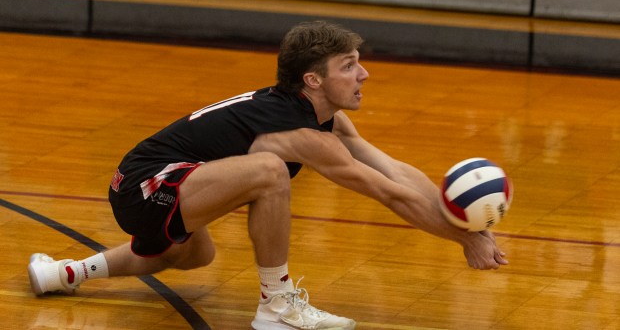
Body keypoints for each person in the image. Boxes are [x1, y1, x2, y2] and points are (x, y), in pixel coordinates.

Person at [28, 21, 507, 330]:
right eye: (349, 66)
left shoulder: (327, 118)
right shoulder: (299, 132)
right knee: (270, 171)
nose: (364, 75)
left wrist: (466, 223)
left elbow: (395, 170)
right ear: (313, 81)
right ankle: (276, 304)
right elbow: (387, 194)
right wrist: (461, 241)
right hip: (145, 182)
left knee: (194, 253)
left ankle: (62, 273)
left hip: (160, 188)